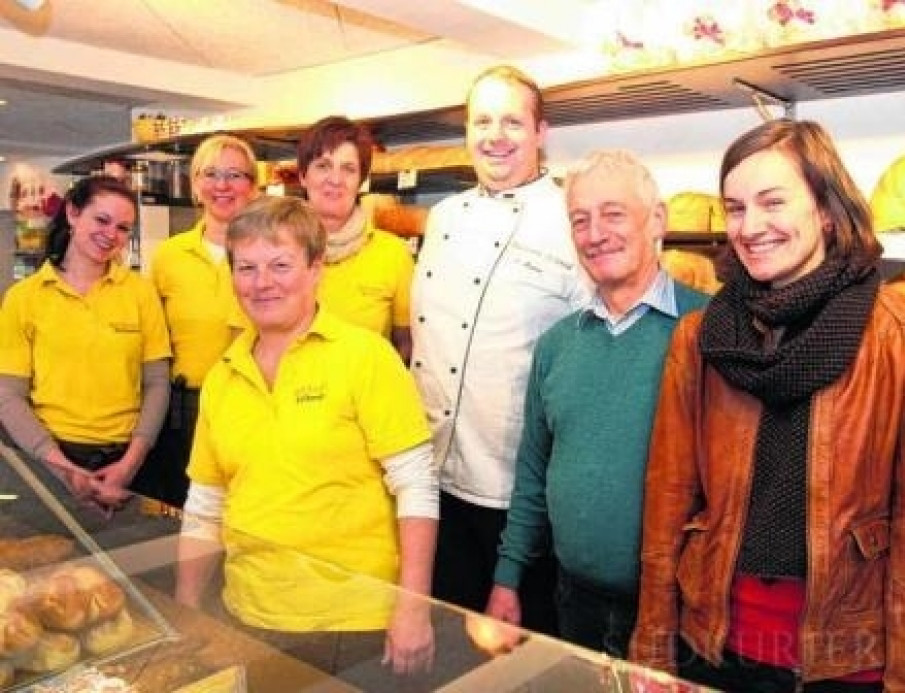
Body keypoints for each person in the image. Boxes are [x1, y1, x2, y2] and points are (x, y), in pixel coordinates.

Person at [630, 119, 905, 692]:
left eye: (772, 202)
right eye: (735, 208)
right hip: (717, 645)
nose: (750, 227)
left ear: (827, 210)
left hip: (848, 660)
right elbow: (667, 502)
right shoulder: (702, 338)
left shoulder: (892, 336)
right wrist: (653, 646)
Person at [174, 195, 438, 680]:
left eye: (280, 264)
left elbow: (416, 486)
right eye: (247, 267)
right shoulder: (223, 376)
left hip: (353, 624)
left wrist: (413, 607)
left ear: (316, 269)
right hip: (249, 614)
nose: (262, 282)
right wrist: (187, 608)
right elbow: (205, 504)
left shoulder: (365, 356)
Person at [486, 150, 708, 658]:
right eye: (580, 220)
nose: (594, 234)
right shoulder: (558, 344)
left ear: (657, 220)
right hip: (574, 599)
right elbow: (533, 470)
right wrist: (507, 576)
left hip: (676, 610)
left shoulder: (708, 332)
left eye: (613, 214)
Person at [410, 65, 590, 634]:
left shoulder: (571, 219)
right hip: (430, 475)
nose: (496, 135)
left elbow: (585, 353)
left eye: (513, 121)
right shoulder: (442, 217)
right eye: (482, 120)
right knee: (443, 641)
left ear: (541, 133)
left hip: (516, 491)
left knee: (518, 652)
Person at [0, 175, 171, 514]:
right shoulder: (25, 298)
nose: (111, 235)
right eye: (102, 220)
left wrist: (129, 464)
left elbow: (156, 383)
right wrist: (62, 468)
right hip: (46, 461)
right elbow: (8, 395)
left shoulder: (140, 293)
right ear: (73, 213)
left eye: (123, 228)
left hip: (127, 464)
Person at [139, 134, 259, 508]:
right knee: (186, 508)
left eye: (235, 175)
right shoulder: (169, 256)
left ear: (253, 186)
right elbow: (151, 341)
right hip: (184, 408)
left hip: (252, 403)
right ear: (195, 184)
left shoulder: (268, 250)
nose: (222, 186)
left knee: (246, 506)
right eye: (211, 174)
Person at [297, 115, 415, 362]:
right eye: (323, 166)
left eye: (348, 169)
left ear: (360, 181)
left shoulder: (392, 253)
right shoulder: (274, 247)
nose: (336, 179)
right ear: (302, 176)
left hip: (363, 397)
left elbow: (405, 345)